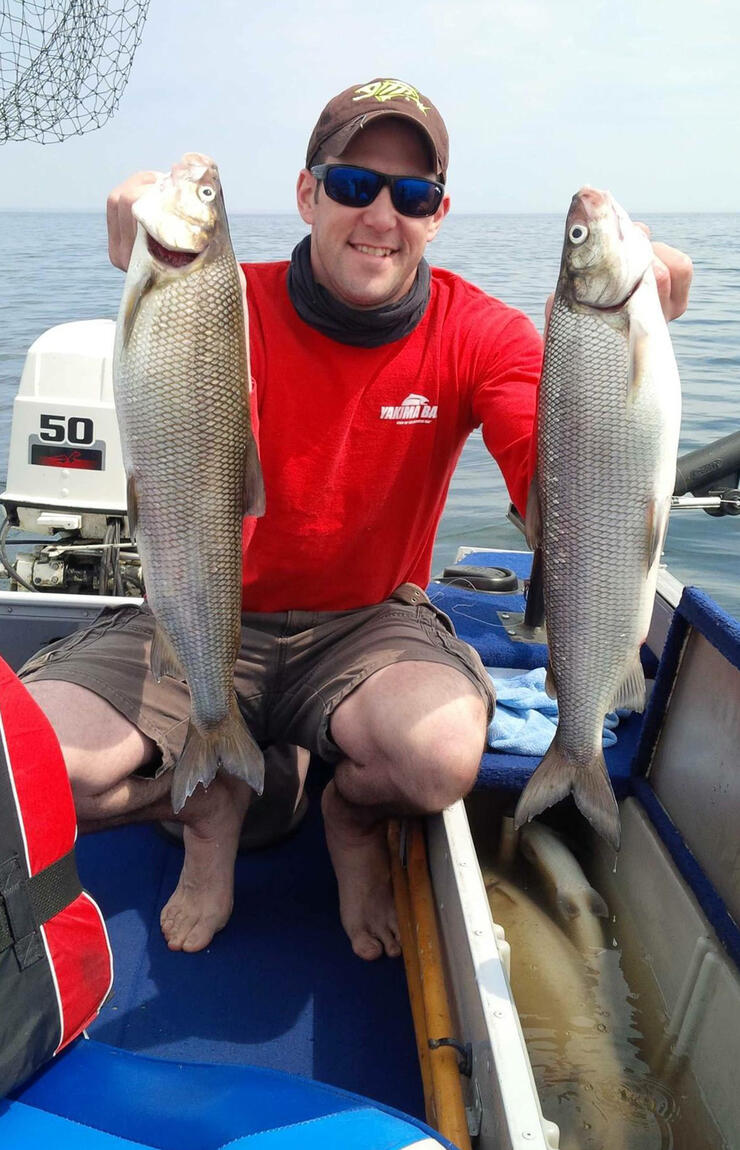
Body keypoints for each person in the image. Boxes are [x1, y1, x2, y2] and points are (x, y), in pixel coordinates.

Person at [19, 77, 693, 962]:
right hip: (203, 606)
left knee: (441, 754)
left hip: (368, 628)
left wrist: (622, 370)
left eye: (412, 196)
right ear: (306, 193)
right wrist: (144, 247)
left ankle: (346, 812)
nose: (382, 214)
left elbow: (556, 495)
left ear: (438, 216)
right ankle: (205, 797)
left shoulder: (482, 333)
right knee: (27, 768)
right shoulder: (214, 300)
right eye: (352, 186)